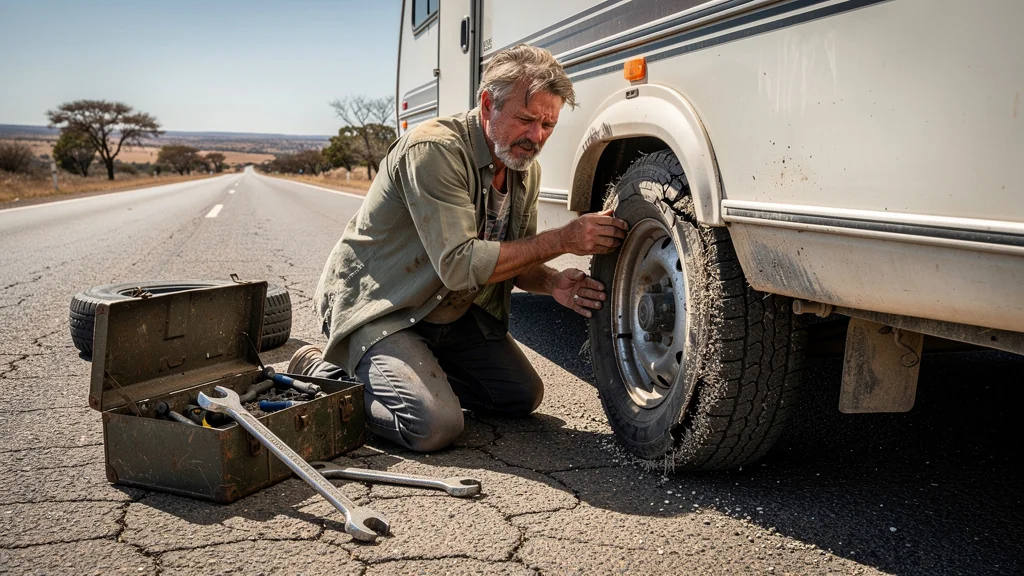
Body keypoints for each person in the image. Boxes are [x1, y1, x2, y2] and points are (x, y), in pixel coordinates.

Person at [288, 44, 628, 452]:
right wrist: (563, 239)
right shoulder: (434, 151)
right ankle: (323, 370)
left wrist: (553, 282)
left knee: (519, 396)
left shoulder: (524, 169)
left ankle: (409, 373)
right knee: (432, 426)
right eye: (525, 119)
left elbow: (519, 258)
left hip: (443, 311)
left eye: (548, 124)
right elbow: (459, 265)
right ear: (487, 105)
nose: (536, 137)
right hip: (381, 308)